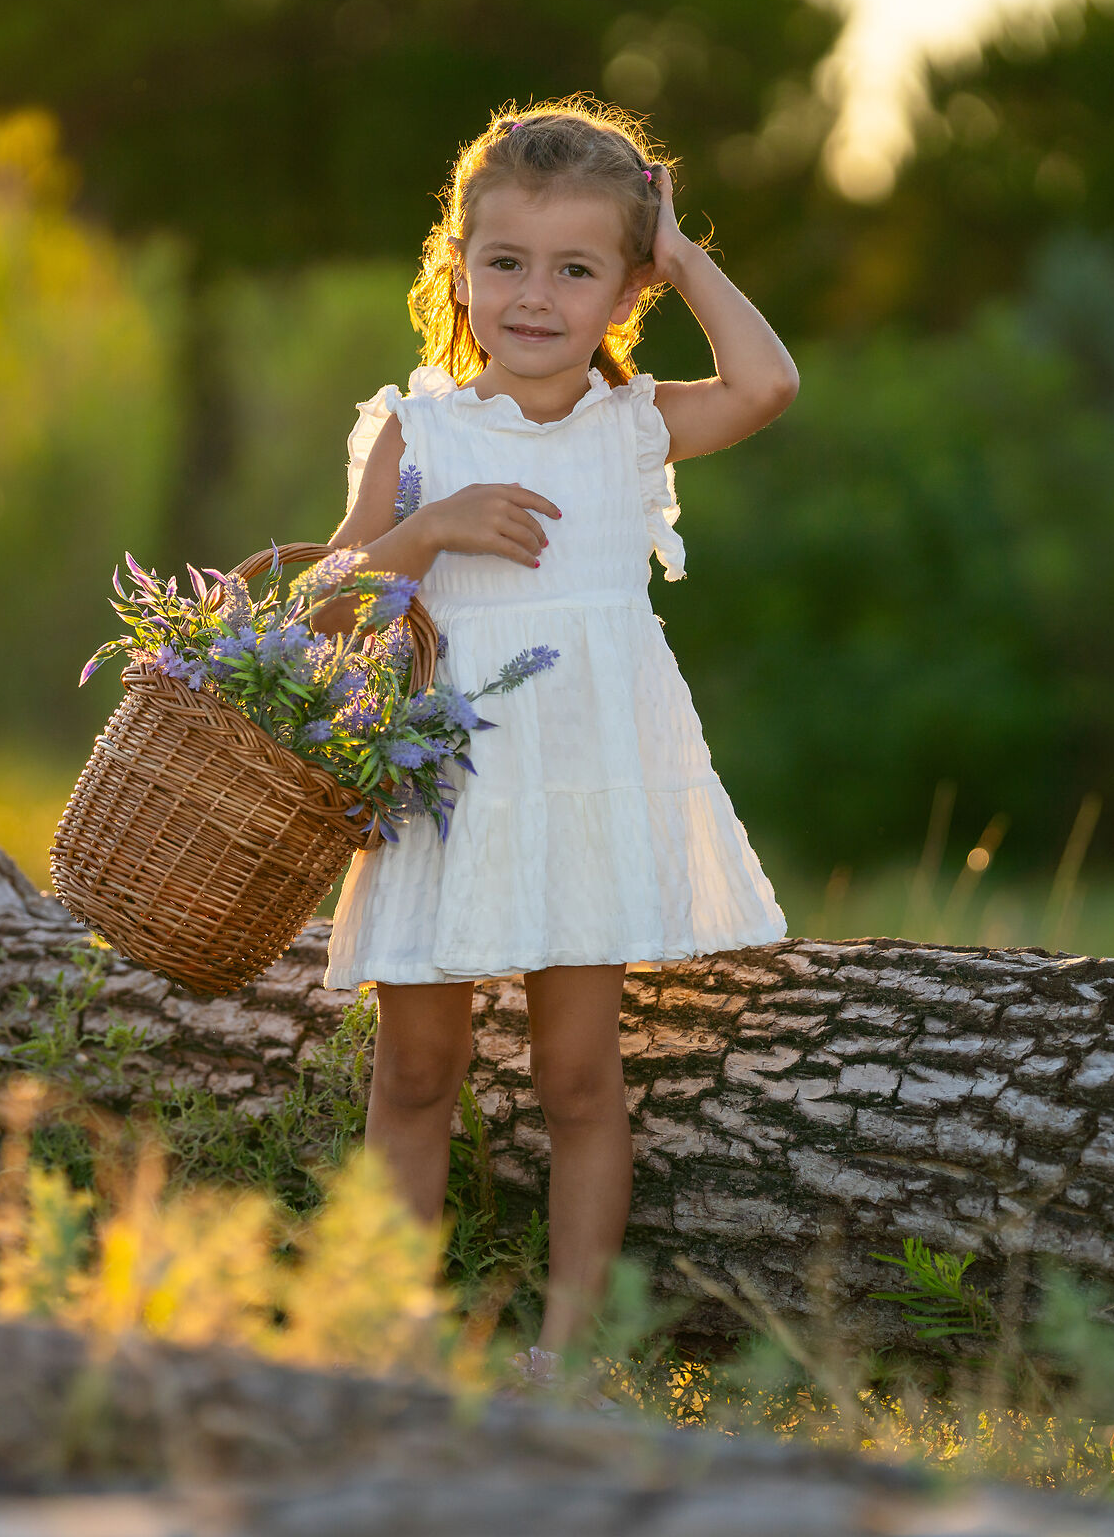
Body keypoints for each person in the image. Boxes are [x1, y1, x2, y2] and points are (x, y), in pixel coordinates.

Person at [319, 96, 797, 1375]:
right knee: (416, 1071)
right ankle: (390, 1341)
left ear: (627, 292)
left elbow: (769, 384)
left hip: (584, 793)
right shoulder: (421, 431)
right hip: (444, 790)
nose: (536, 296)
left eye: (577, 269)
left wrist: (682, 252)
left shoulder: (632, 427)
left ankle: (567, 1359)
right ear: (459, 270)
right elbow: (323, 608)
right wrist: (425, 531)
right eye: (507, 262)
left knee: (581, 1078)